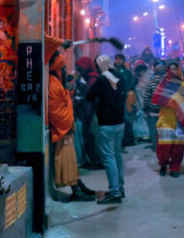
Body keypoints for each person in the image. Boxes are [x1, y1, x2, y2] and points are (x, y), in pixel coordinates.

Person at [46, 48, 95, 202]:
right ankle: (76, 190)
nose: (65, 70)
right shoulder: (52, 83)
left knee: (72, 161)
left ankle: (78, 185)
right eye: (62, 67)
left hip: (66, 127)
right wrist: (68, 122)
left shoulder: (56, 81)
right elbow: (55, 110)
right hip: (62, 129)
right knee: (68, 162)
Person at [85, 54, 127, 204]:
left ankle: (114, 191)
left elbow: (89, 96)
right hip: (120, 121)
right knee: (116, 155)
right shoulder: (120, 77)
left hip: (107, 123)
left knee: (108, 156)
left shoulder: (102, 79)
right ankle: (120, 188)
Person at [151, 60, 184, 177]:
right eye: (170, 69)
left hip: (181, 121)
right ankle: (163, 165)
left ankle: (175, 168)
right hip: (166, 121)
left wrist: (176, 102)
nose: (173, 71)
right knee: (164, 147)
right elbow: (156, 100)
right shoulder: (163, 84)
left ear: (178, 70)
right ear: (167, 70)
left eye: (175, 69)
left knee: (178, 148)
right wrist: (172, 101)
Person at [113, 53, 138, 147]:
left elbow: (130, 85)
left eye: (120, 59)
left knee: (126, 119)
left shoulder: (126, 73)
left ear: (123, 61)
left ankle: (128, 140)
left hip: (124, 99)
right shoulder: (113, 71)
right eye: (116, 59)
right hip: (116, 99)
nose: (118, 61)